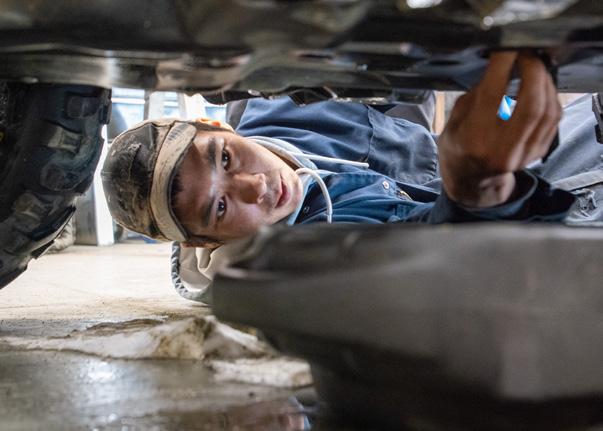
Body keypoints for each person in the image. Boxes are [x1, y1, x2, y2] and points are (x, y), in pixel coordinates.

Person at [101, 52, 602, 302]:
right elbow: (436, 257)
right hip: (477, 211)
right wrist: (476, 188)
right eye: (221, 207)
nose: (256, 186)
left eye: (226, 159)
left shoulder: (282, 100)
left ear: (217, 126)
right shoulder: (305, 271)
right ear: (202, 241)